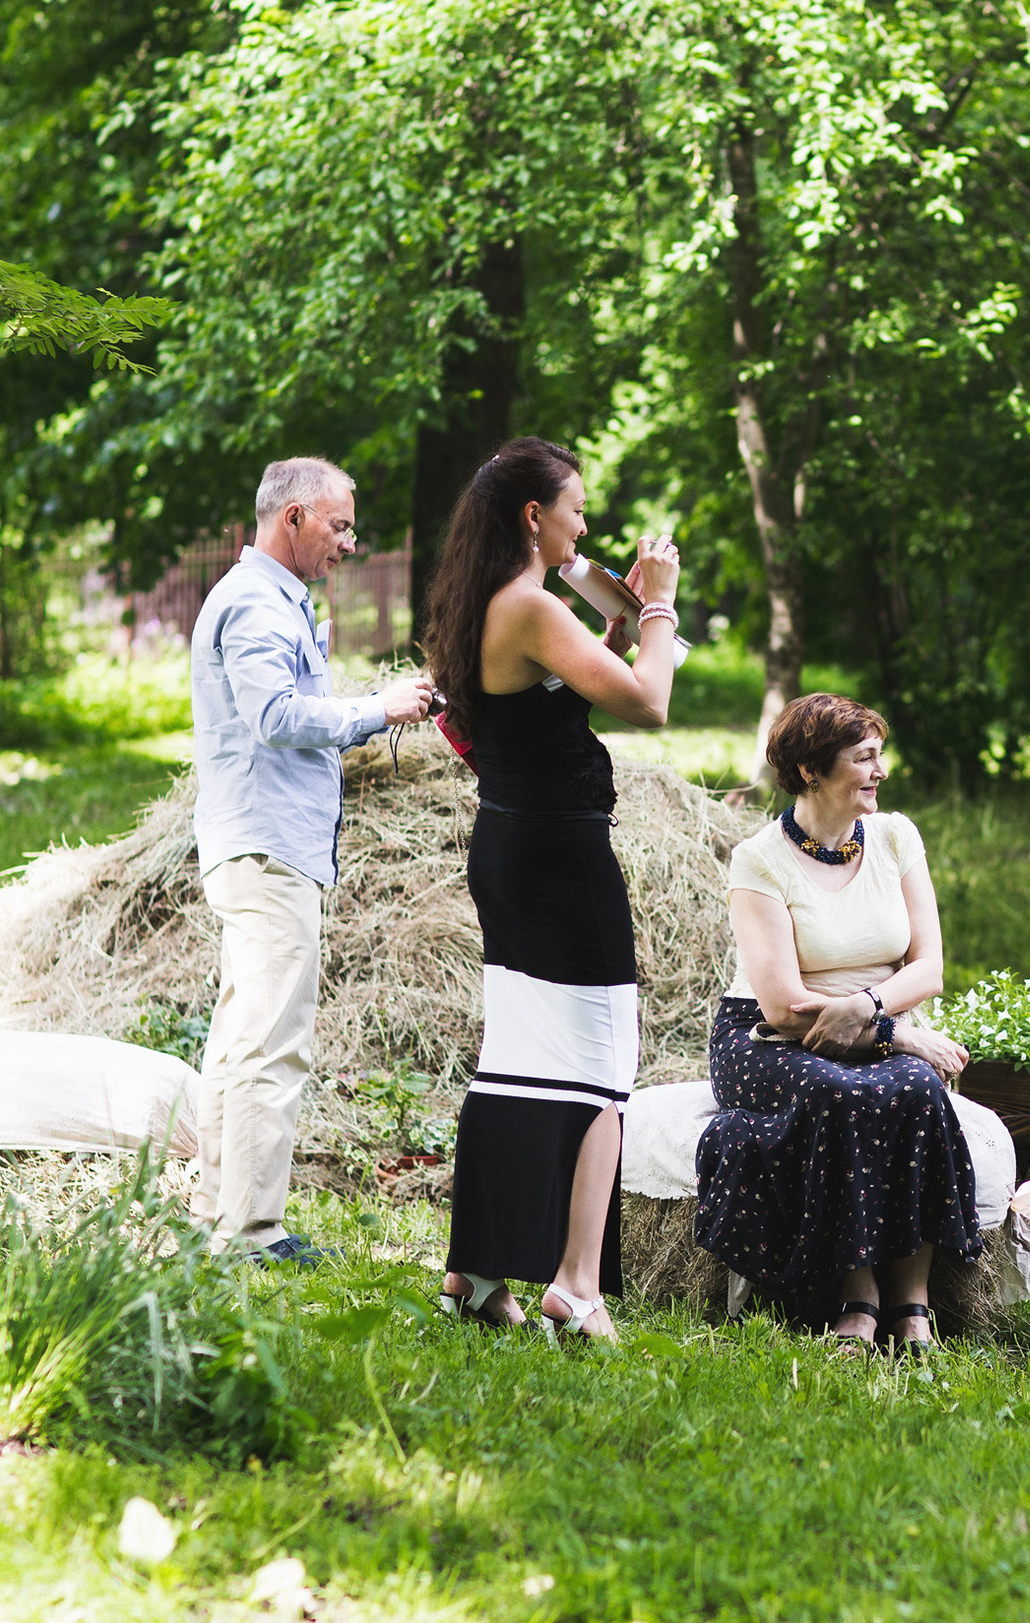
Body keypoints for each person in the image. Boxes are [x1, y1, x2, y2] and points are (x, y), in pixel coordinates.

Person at [427, 437, 681, 1338]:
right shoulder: (531, 605)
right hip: (560, 861)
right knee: (605, 1067)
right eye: (577, 506)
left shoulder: (488, 603)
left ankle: (475, 1270)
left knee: (519, 1060)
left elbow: (552, 700)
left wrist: (610, 628)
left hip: (509, 851)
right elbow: (649, 700)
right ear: (536, 517)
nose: (587, 522)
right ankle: (576, 1283)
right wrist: (658, 607)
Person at [189, 457, 436, 1260]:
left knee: (237, 1039)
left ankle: (214, 1217)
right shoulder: (258, 602)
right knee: (273, 1041)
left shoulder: (265, 597)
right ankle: (253, 1231)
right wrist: (376, 709)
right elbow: (273, 715)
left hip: (257, 843)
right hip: (267, 849)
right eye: (338, 525)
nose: (348, 542)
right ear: (292, 517)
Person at [694, 694, 980, 1356]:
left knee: (914, 1089)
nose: (879, 770)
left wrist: (872, 1008)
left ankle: (914, 1302)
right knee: (840, 1091)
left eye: (879, 754)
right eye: (864, 757)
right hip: (771, 1037)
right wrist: (895, 1032)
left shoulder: (895, 836)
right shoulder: (759, 859)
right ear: (810, 771)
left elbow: (929, 966)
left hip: (873, 1015)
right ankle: (859, 1296)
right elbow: (783, 1006)